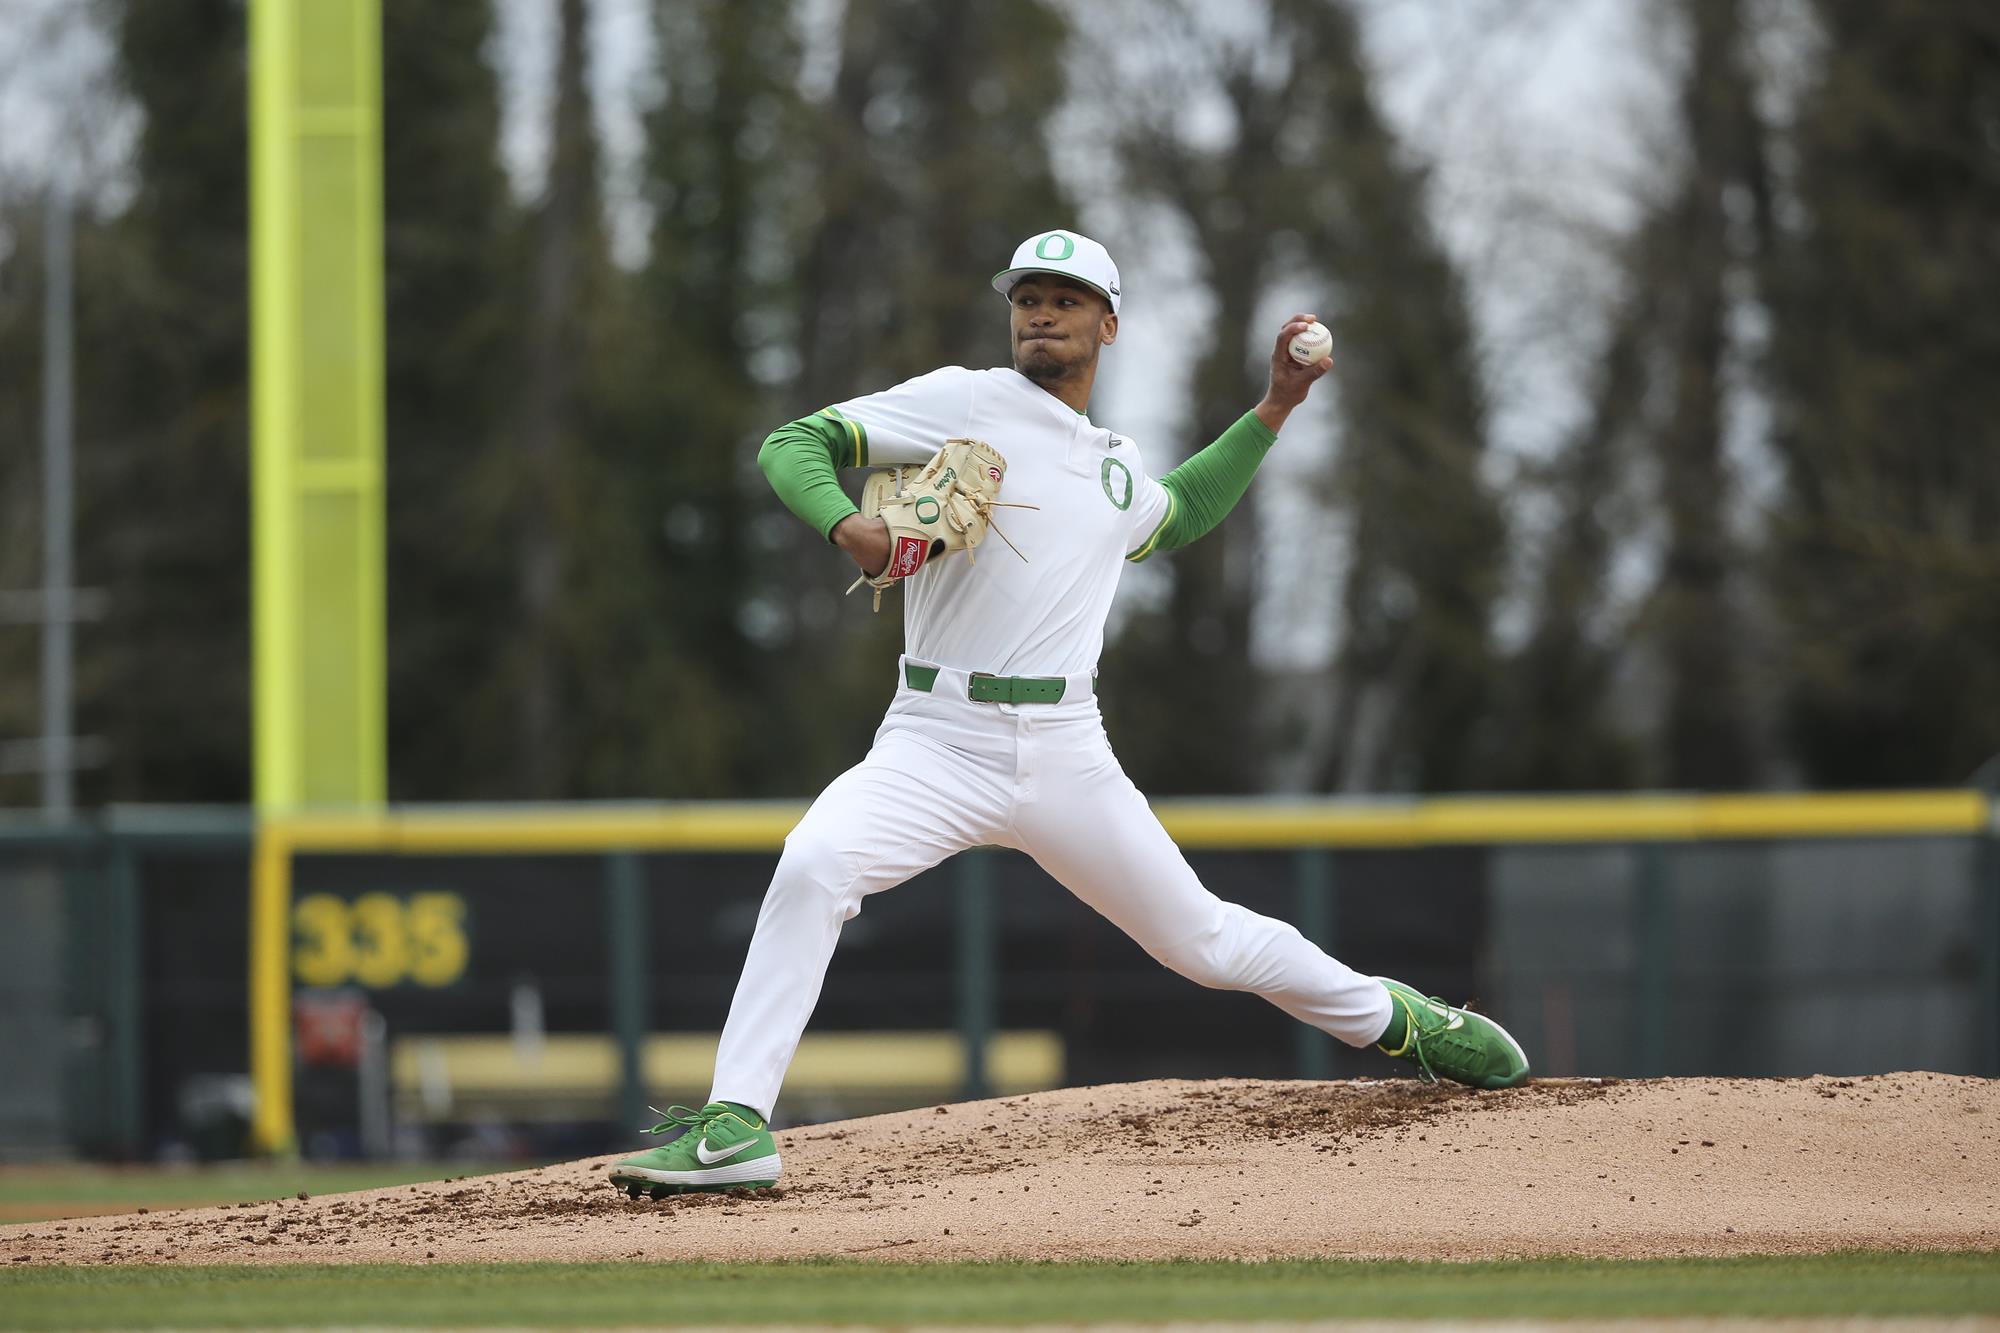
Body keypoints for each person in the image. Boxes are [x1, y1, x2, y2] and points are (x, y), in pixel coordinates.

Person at [609, 229, 1529, 1197]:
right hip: (934, 736)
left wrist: (1274, 407)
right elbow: (792, 441)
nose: (1039, 310)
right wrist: (851, 525)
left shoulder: (1113, 464)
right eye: (1026, 296)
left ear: (1109, 323)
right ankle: (735, 1125)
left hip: (1063, 751)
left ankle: (1403, 1022)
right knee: (813, 864)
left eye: (1064, 295)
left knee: (1205, 943)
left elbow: (1177, 510)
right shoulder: (966, 400)